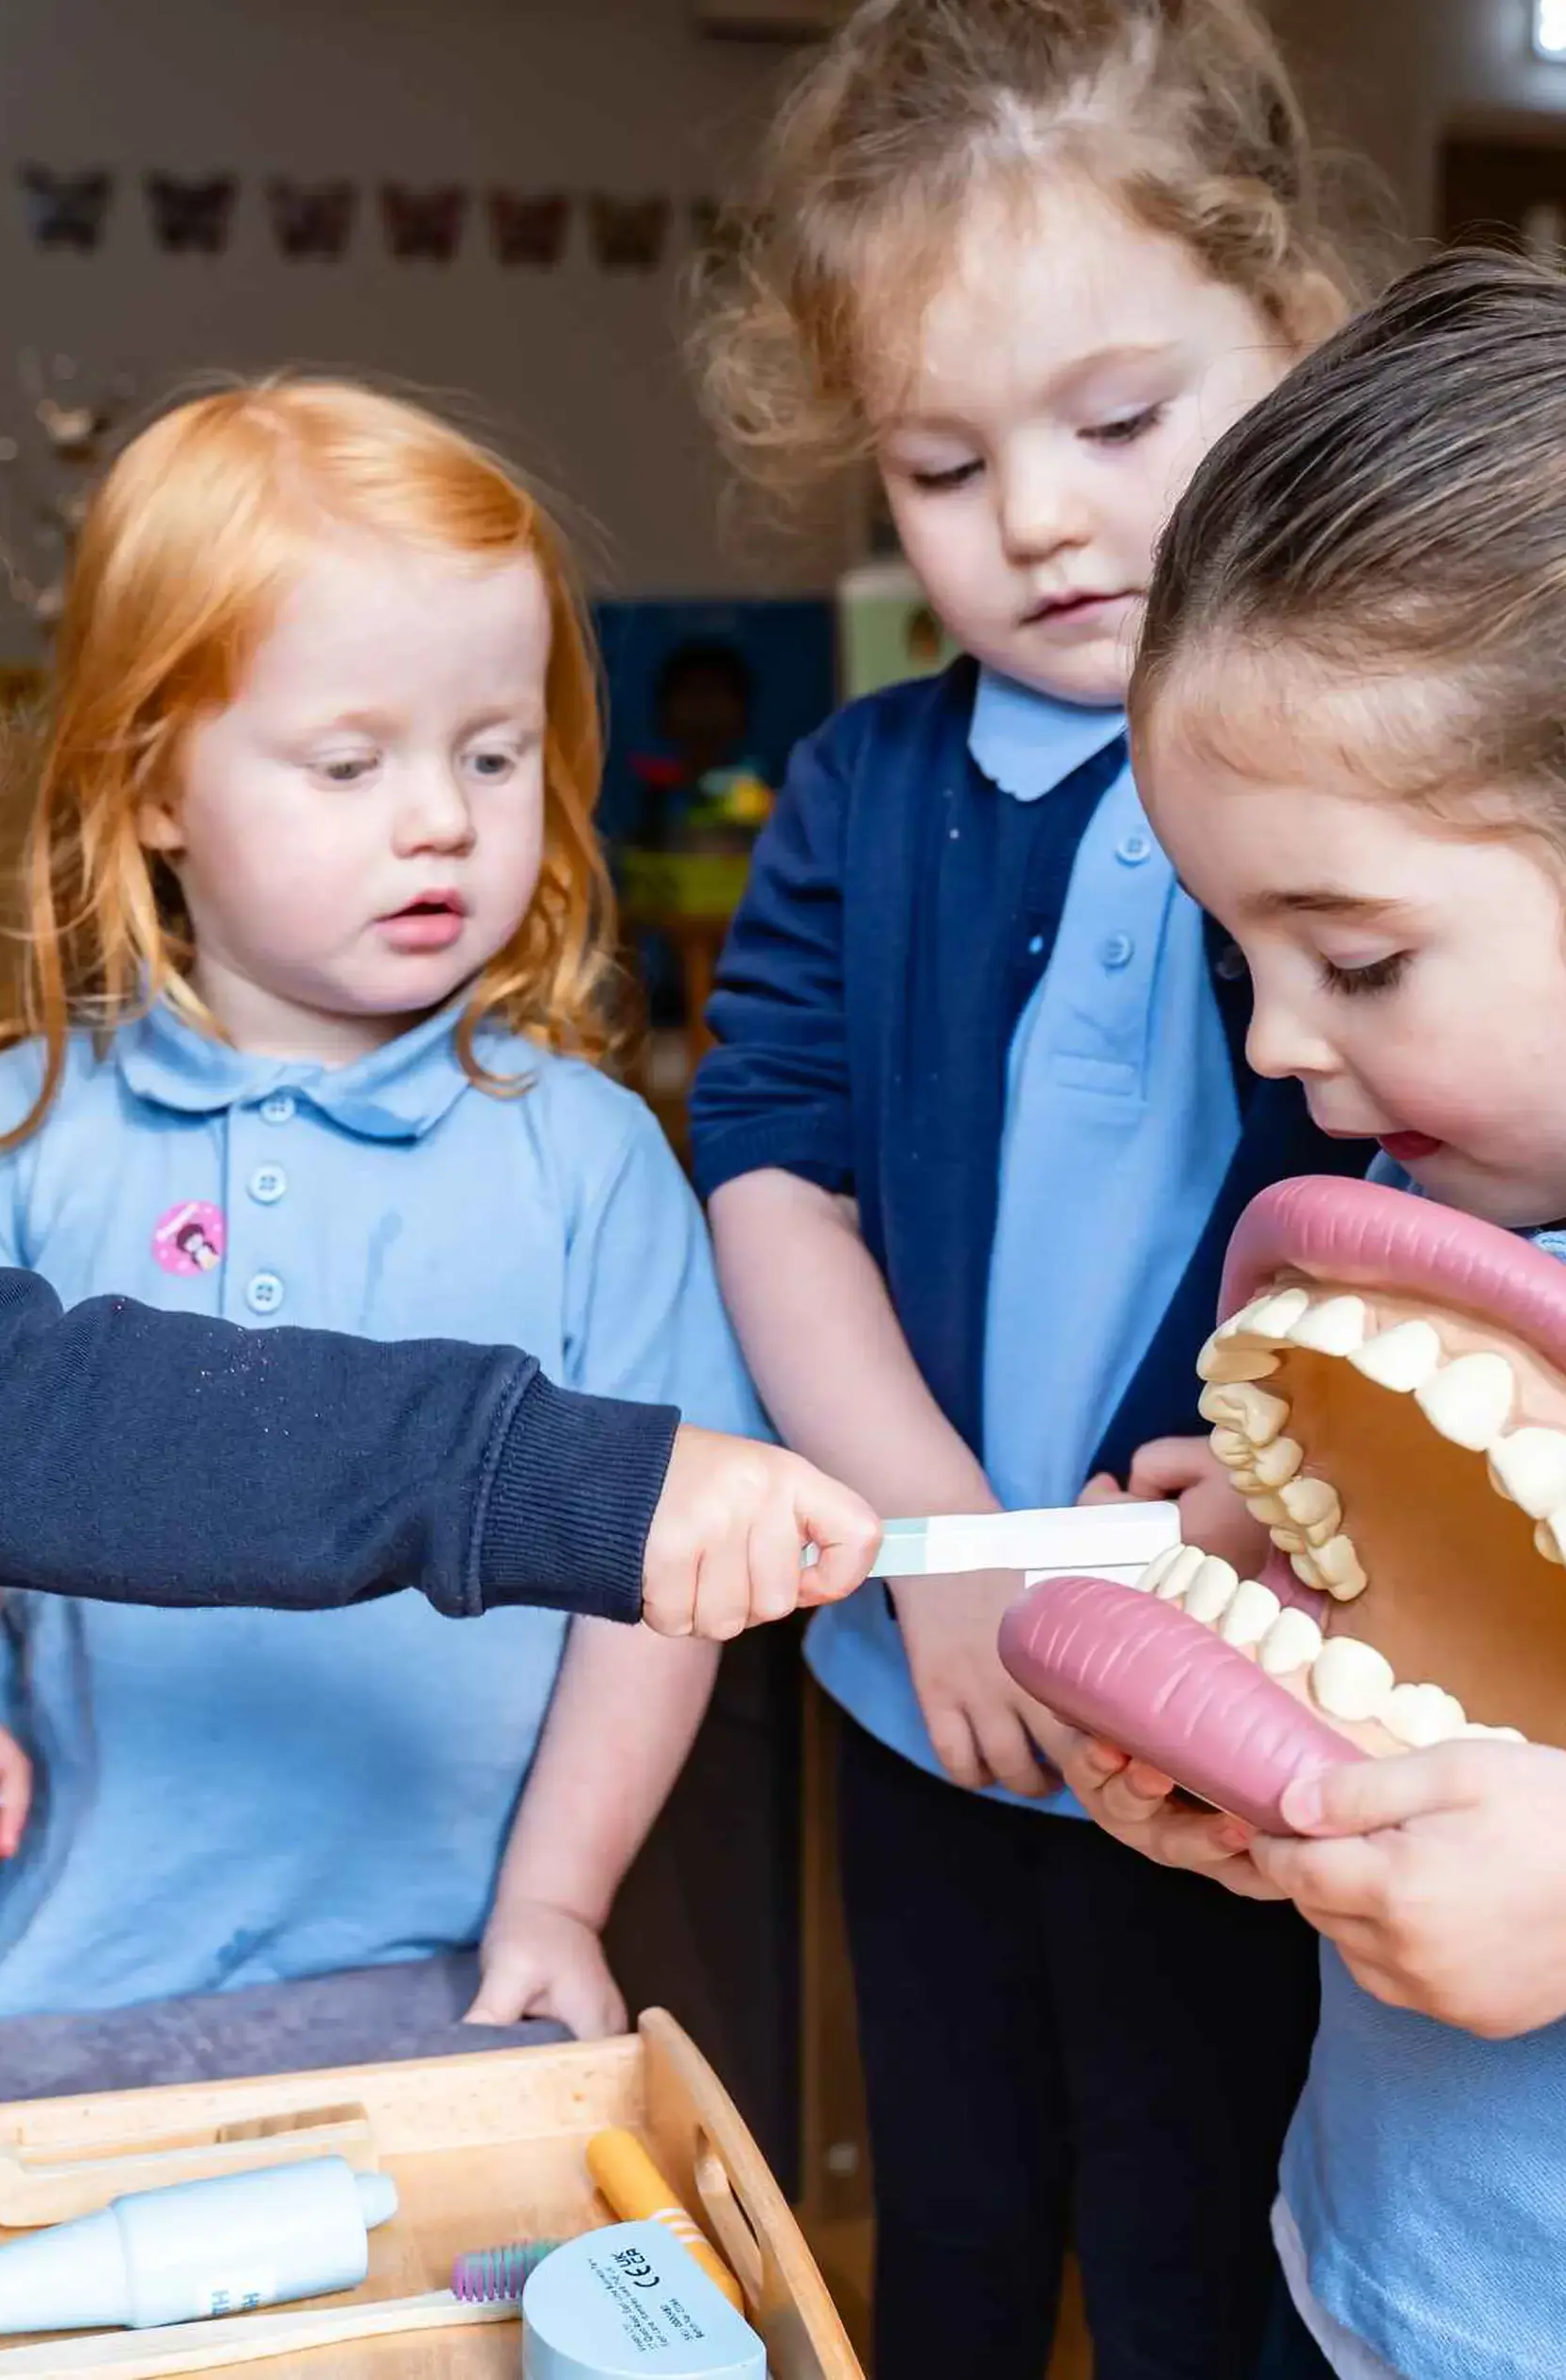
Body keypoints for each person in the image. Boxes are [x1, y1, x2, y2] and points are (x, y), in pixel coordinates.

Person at [0, 340, 879, 2058]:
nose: (438, 821)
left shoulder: (589, 1160)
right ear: (150, 789)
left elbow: (651, 1598)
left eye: (494, 757)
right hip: (62, 1958)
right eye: (350, 767)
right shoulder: (10, 1124)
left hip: (439, 1975)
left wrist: (558, 1901)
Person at [689, 2, 1380, 2370]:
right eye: (945, 464)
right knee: (963, 2222)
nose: (1049, 520)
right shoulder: (861, 789)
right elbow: (772, 1166)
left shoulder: (1363, 778)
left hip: (1248, 1707)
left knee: (1218, 2248)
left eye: (1119, 421)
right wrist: (950, 1554)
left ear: (1291, 341)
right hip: (928, 1683)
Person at [1068, 247, 1566, 2380]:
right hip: (1371, 2280)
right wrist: (1299, 1605)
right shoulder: (1413, 1215)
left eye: (1358, 963)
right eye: (1236, 956)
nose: (1279, 1046)